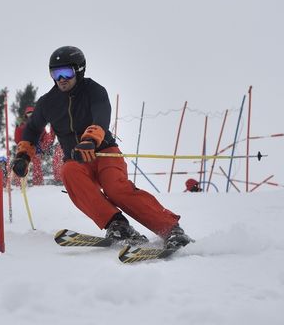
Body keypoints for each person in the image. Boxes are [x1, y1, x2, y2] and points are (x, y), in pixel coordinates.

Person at [11, 46, 192, 248]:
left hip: (105, 152)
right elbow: (32, 129)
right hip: (77, 159)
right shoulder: (48, 102)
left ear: (79, 70)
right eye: (56, 73)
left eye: (67, 72)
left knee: (116, 189)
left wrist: (90, 140)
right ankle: (117, 225)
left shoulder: (94, 91)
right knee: (68, 171)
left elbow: (101, 117)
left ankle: (171, 229)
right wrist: (23, 156)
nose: (61, 78)